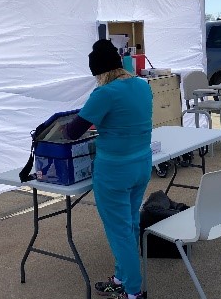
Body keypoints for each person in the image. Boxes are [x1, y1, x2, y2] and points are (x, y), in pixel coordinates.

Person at [63, 39, 152, 299]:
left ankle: (133, 291)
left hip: (114, 171)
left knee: (119, 232)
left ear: (101, 72)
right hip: (141, 164)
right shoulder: (142, 85)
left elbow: (72, 131)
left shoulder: (104, 93)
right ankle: (120, 278)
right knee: (130, 224)